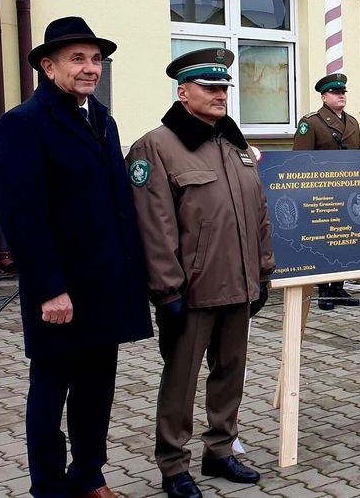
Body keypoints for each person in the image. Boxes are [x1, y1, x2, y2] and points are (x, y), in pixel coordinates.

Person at [0, 16, 153, 498]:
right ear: (48, 65)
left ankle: (89, 475)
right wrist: (48, 288)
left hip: (105, 283)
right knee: (50, 391)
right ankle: (48, 486)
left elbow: (116, 202)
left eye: (96, 59)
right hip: (60, 289)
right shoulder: (23, 124)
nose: (90, 69)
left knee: (96, 388)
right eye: (77, 59)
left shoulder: (101, 118)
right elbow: (22, 216)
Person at [127, 48, 275, 498]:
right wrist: (166, 290)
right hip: (191, 291)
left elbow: (258, 214)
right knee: (181, 380)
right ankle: (173, 465)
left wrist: (264, 272)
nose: (220, 95)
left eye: (224, 88)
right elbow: (154, 227)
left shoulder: (233, 144)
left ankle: (220, 450)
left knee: (230, 372)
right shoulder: (156, 145)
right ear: (183, 91)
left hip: (240, 283)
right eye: (210, 88)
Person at [293, 73, 360, 308]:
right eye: (335, 92)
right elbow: (301, 160)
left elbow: (359, 158)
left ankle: (339, 288)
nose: (341, 96)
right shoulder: (311, 123)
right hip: (322, 194)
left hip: (347, 192)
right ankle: (324, 290)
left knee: (346, 240)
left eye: (343, 92)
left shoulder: (352, 122)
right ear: (324, 97)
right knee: (324, 242)